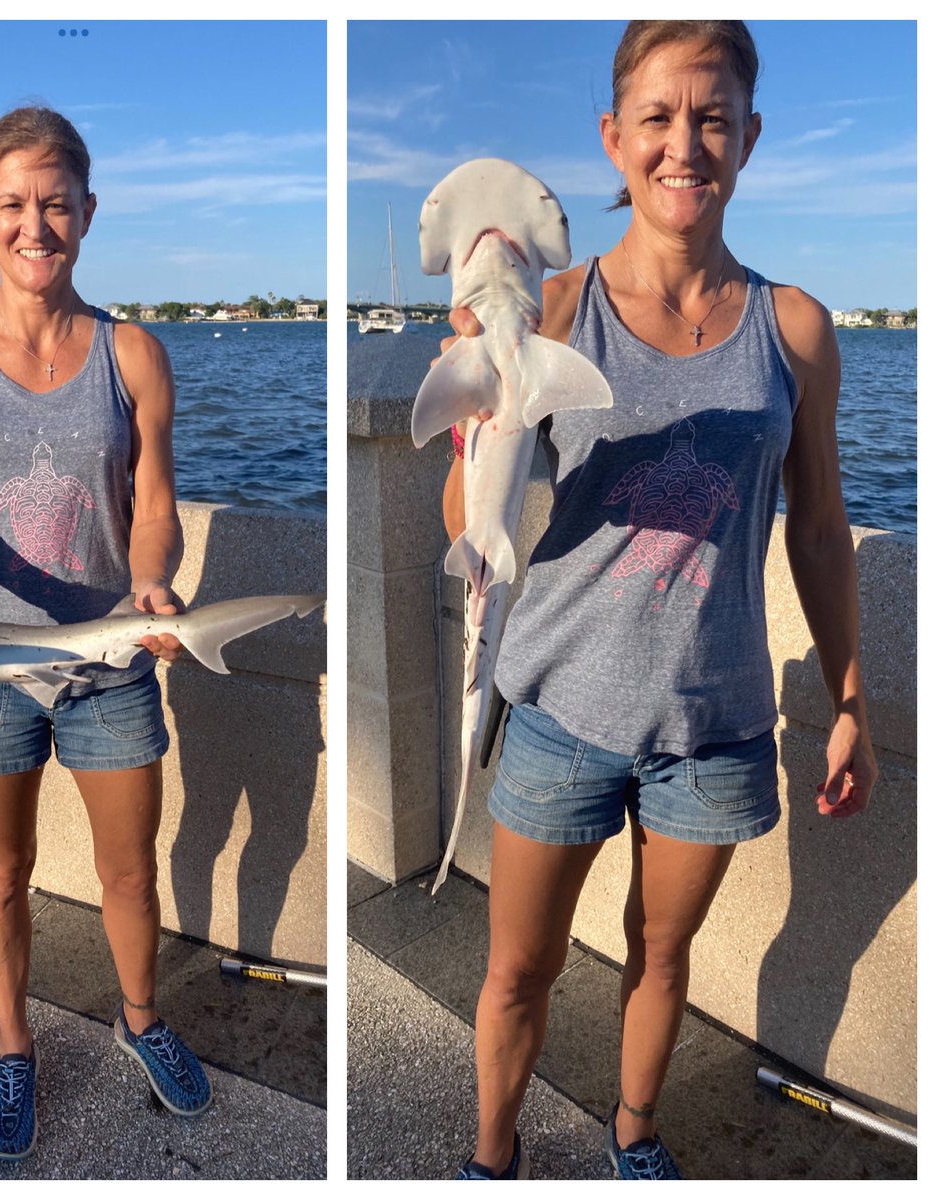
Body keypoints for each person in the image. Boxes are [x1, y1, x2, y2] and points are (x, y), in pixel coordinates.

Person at [440, 21, 878, 1180]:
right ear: (614, 136)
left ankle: (634, 1135)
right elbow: (468, 521)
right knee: (518, 970)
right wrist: (476, 399)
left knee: (663, 957)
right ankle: (492, 1157)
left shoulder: (796, 329)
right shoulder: (550, 310)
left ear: (749, 137)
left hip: (715, 721)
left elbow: (820, 531)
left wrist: (850, 698)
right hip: (558, 709)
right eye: (658, 118)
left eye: (713, 118)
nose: (685, 144)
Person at [0, 106, 211, 1161]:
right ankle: (14, 1045)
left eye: (55, 204)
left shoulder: (134, 353)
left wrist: (151, 582)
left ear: (88, 213)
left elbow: (153, 504)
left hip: (109, 663)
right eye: (13, 205)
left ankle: (141, 1019)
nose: (35, 226)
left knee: (129, 873)